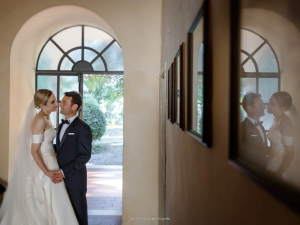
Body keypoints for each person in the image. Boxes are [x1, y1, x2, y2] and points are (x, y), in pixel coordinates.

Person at [0, 89, 78, 225]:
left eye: (56, 100)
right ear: (42, 105)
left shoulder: (47, 117)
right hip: (44, 165)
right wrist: (46, 171)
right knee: (45, 201)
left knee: (55, 201)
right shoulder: (40, 119)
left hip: (51, 160)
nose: (57, 104)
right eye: (52, 101)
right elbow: (34, 150)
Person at [51, 91, 92, 225]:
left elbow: (84, 155)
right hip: (59, 178)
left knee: (78, 216)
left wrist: (64, 172)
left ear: (74, 106)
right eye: (60, 101)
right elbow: (61, 150)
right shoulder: (62, 125)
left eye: (64, 102)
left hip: (75, 180)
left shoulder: (83, 128)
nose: (60, 104)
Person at [266, 91, 294, 178]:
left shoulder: (285, 123)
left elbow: (290, 153)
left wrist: (278, 174)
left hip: (279, 165)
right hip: (271, 160)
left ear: (283, 107)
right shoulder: (276, 118)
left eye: (272, 104)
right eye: (269, 101)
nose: (268, 105)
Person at [240, 92, 269, 169]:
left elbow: (262, 147)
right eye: (260, 105)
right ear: (250, 109)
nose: (264, 107)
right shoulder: (241, 128)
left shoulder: (261, 126)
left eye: (263, 104)